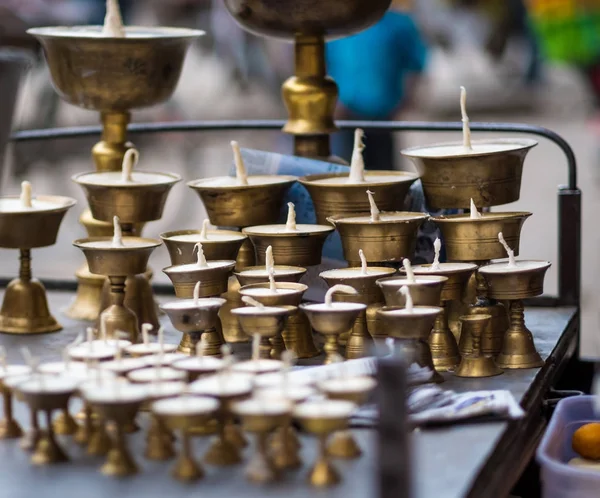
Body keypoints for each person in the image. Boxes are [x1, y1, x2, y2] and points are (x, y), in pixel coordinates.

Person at [326, 1, 427, 169]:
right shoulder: (338, 26)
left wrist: (406, 100)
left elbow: (415, 65)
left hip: (383, 115)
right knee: (348, 172)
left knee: (383, 174)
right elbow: (325, 64)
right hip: (346, 114)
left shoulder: (398, 23)